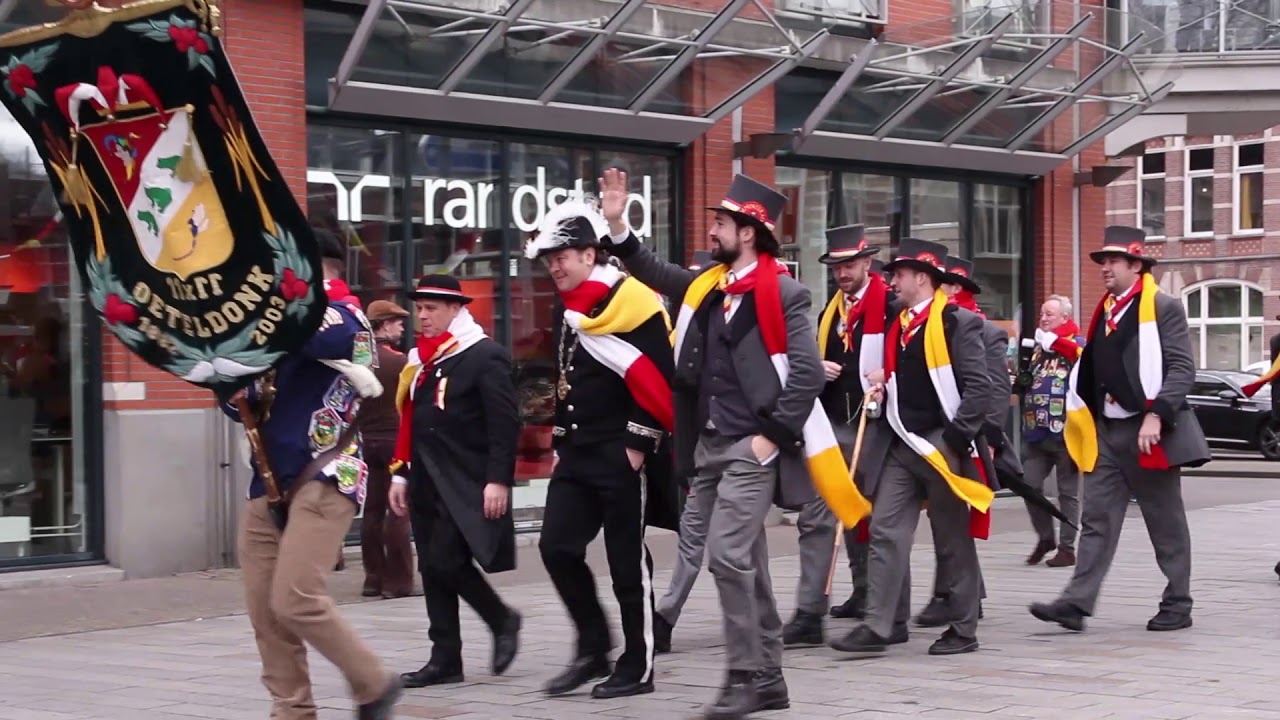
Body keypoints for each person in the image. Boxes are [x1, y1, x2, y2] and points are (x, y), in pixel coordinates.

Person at [603, 170, 864, 719]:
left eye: (721, 223)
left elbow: (805, 375)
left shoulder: (786, 293)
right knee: (748, 563)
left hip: (752, 447)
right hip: (708, 447)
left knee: (725, 555)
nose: (713, 231)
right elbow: (654, 270)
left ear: (748, 232)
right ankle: (768, 678)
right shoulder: (709, 287)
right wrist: (618, 226)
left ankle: (745, 674)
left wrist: (771, 439)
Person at [225, 228, 401, 720]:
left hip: (326, 474)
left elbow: (328, 338)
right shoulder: (275, 319)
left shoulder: (346, 314)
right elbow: (244, 395)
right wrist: (234, 390)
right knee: (265, 611)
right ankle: (292, 710)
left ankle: (375, 682)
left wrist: (273, 307)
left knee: (296, 598)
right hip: (266, 480)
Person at [530, 199, 678, 701]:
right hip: (577, 451)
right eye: (549, 259)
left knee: (625, 563)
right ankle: (593, 645)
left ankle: (638, 664)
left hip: (621, 449)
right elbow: (567, 373)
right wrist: (559, 438)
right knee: (556, 547)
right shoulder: (568, 306)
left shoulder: (634, 300)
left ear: (589, 254)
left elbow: (661, 377)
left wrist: (637, 445)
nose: (554, 267)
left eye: (561, 257)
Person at [1029, 226, 1209, 633]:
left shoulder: (1163, 307)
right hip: (1107, 431)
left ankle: (1178, 602)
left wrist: (1157, 415)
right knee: (1097, 519)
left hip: (1149, 432)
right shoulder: (1106, 310)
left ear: (1135, 265)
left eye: (1112, 261)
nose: (1105, 268)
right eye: (1103, 261)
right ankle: (1075, 603)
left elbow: (1183, 368)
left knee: (1164, 522)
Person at [828, 238, 995, 657]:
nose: (892, 281)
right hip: (901, 443)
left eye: (899, 274)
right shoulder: (897, 323)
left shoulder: (957, 322)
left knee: (951, 539)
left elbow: (980, 389)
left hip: (941, 445)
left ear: (922, 278)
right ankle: (881, 624)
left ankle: (963, 627)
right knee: (885, 529)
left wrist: (954, 440)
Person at [386, 275, 522, 686]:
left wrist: (498, 480)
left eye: (431, 309)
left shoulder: (483, 355)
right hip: (425, 476)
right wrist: (401, 473)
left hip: (466, 477)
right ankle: (445, 659)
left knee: (447, 560)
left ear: (455, 309)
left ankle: (501, 618)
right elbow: (410, 420)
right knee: (432, 566)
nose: (422, 316)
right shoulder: (421, 358)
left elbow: (504, 424)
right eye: (419, 309)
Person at [914, 256, 1008, 627]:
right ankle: (966, 594)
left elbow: (995, 388)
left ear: (956, 288)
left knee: (952, 519)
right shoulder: (929, 323)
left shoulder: (981, 329)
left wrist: (990, 437)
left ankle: (950, 595)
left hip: (969, 436)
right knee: (944, 518)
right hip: (930, 433)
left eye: (946, 284)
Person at [812, 225, 893, 625]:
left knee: (879, 516)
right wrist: (818, 367)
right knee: (848, 508)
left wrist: (887, 374)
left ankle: (883, 598)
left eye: (849, 265)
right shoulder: (831, 312)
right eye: (836, 267)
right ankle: (861, 590)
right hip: (836, 420)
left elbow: (905, 356)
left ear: (867, 263)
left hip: (877, 423)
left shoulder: (889, 304)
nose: (842, 273)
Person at [1014, 295, 1085, 567]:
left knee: (1068, 494)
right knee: (1029, 486)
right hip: (1036, 431)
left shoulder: (1076, 344)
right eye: (1042, 314)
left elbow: (1083, 365)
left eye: (1049, 314)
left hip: (1066, 432)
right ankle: (1046, 537)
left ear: (1065, 318)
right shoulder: (1038, 347)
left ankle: (1067, 549)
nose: (1043, 318)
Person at [358, 299, 414, 599]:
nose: (402, 327)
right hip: (395, 441)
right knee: (398, 509)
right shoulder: (400, 361)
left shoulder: (358, 362)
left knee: (372, 510)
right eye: (397, 322)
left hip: (366, 441)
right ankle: (399, 581)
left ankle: (373, 578)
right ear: (384, 325)